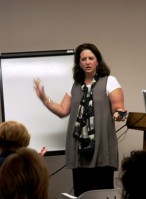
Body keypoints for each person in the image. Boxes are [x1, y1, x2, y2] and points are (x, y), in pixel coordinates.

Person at [34, 43, 126, 196]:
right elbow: (63, 111)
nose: (87, 62)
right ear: (79, 63)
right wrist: (44, 99)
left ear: (98, 61)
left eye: (91, 58)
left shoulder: (110, 81)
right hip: (79, 150)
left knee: (102, 194)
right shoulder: (74, 85)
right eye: (83, 59)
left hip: (101, 147)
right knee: (81, 193)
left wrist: (119, 114)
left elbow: (119, 108)